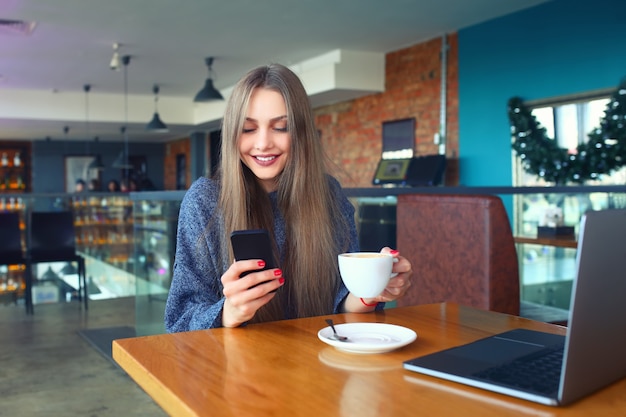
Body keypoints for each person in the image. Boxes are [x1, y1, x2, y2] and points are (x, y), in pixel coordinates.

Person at [165, 63, 412, 332]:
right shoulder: (205, 201)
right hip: (234, 369)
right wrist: (230, 311)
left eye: (280, 127)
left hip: (315, 362)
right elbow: (179, 322)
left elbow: (339, 305)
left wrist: (372, 291)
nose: (262, 143)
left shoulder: (329, 195)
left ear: (301, 132)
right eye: (248, 129)